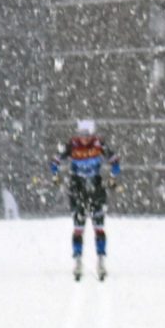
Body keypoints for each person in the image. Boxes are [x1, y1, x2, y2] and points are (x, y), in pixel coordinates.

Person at [52, 119, 120, 280]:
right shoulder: (72, 145)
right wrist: (55, 175)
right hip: (77, 188)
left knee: (99, 226)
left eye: (87, 135)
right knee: (78, 227)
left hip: (96, 187)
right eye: (82, 135)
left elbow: (115, 160)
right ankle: (77, 260)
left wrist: (112, 177)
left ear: (92, 135)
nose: (84, 138)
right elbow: (55, 160)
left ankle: (101, 260)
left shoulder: (98, 144)